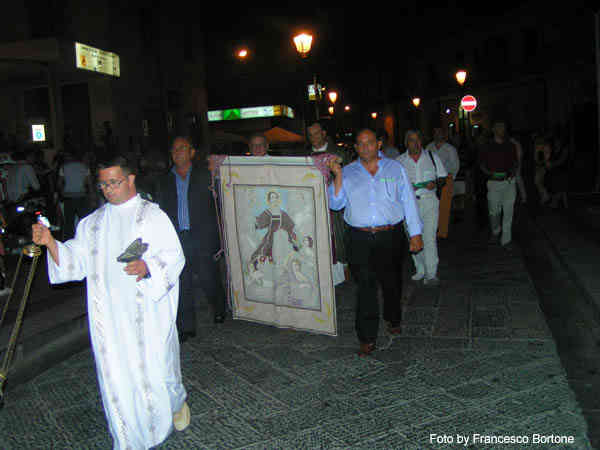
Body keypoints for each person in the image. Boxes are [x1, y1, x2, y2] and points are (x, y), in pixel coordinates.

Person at [31, 155, 190, 449]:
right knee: (116, 376)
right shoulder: (92, 224)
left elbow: (174, 255)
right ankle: (128, 438)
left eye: (114, 182)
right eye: (103, 184)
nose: (108, 189)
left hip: (147, 313)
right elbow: (74, 262)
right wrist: (51, 243)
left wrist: (148, 267)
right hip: (110, 318)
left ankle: (171, 406)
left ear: (130, 180)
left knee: (156, 368)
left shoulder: (152, 217)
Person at [327, 129, 423, 357]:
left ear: (378, 144)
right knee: (365, 287)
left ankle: (393, 317)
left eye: (370, 142)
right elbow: (335, 204)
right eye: (360, 144)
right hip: (359, 237)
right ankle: (367, 337)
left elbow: (408, 201)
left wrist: (415, 233)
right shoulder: (348, 172)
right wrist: (338, 175)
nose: (366, 147)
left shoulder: (395, 168)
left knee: (391, 282)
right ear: (356, 148)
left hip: (389, 235)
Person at [156, 136, 227, 341]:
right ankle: (186, 326)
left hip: (201, 235)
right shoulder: (164, 179)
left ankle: (219, 307)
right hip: (176, 238)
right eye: (174, 150)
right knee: (182, 281)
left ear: (192, 152)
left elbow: (220, 202)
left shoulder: (206, 175)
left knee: (208, 276)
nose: (178, 152)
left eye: (182, 148)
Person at [397, 130, 447, 285]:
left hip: (429, 200)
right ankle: (420, 268)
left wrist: (435, 184)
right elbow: (392, 183)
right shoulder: (399, 161)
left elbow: (442, 178)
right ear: (406, 143)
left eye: (418, 140)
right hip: (409, 204)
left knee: (429, 237)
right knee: (413, 236)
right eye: (412, 140)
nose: (416, 143)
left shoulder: (432, 157)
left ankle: (431, 273)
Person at [307, 121, 350, 283]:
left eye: (316, 133)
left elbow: (348, 176)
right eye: (310, 135)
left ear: (324, 133)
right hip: (313, 206)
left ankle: (342, 273)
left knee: (337, 240)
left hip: (334, 206)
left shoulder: (339, 153)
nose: (313, 138)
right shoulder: (305, 156)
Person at [479, 119, 519, 249]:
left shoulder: (510, 145)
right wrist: (490, 174)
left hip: (508, 182)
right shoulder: (487, 146)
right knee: (494, 212)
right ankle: (495, 231)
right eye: (499, 126)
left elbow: (515, 163)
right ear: (494, 129)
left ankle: (506, 240)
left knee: (508, 212)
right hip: (493, 183)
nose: (502, 129)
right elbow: (481, 165)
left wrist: (512, 172)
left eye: (503, 127)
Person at [426, 127, 459, 238]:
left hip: (446, 179)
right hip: (432, 180)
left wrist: (450, 180)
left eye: (440, 133)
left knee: (444, 207)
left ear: (444, 135)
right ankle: (432, 229)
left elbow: (455, 166)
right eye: (435, 133)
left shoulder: (450, 149)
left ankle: (442, 232)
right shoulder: (429, 147)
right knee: (432, 206)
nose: (437, 135)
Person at [58, 151, 93, 240]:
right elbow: (89, 182)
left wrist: (61, 193)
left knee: (69, 222)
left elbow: (59, 183)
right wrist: (91, 194)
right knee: (84, 220)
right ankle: (85, 239)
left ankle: (69, 241)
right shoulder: (84, 167)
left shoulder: (64, 167)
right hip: (81, 196)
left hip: (68, 196)